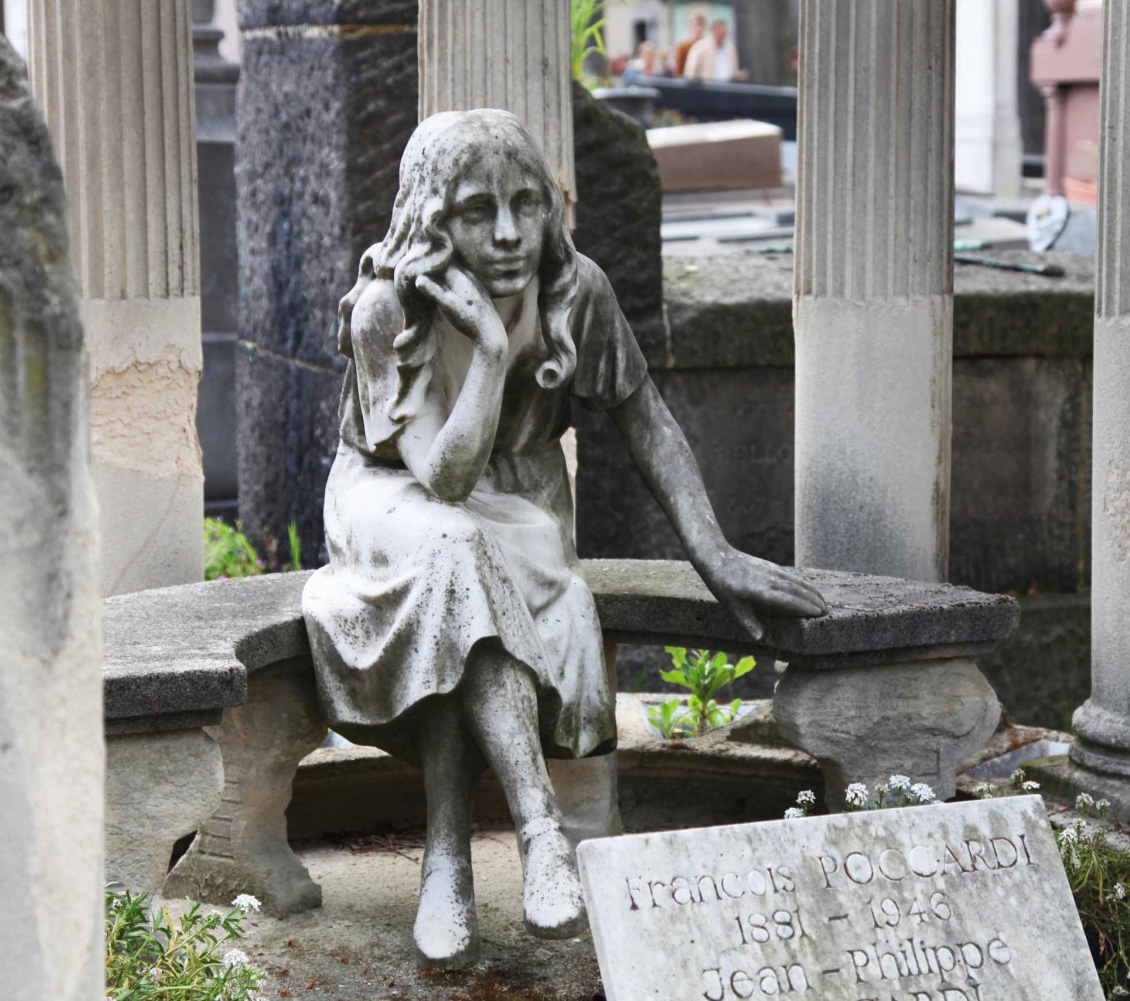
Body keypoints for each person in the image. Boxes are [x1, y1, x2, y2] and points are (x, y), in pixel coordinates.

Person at [301, 110, 828, 968]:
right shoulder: (383, 308)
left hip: (515, 503)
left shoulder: (576, 290)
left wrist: (716, 552)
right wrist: (492, 350)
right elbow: (440, 479)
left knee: (470, 577)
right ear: (432, 217)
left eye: (526, 204)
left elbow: (644, 416)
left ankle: (450, 857)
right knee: (451, 549)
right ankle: (538, 827)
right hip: (388, 500)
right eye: (478, 210)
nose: (509, 233)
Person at [682, 17, 742, 82]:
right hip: (707, 88)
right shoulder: (700, 47)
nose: (722, 36)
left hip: (727, 88)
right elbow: (691, 71)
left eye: (724, 33)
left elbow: (734, 70)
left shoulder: (730, 49)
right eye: (720, 33)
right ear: (713, 31)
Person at [673, 11, 705, 77]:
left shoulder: (706, 47)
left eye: (701, 25)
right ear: (690, 26)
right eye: (696, 25)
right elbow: (678, 71)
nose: (699, 28)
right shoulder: (683, 47)